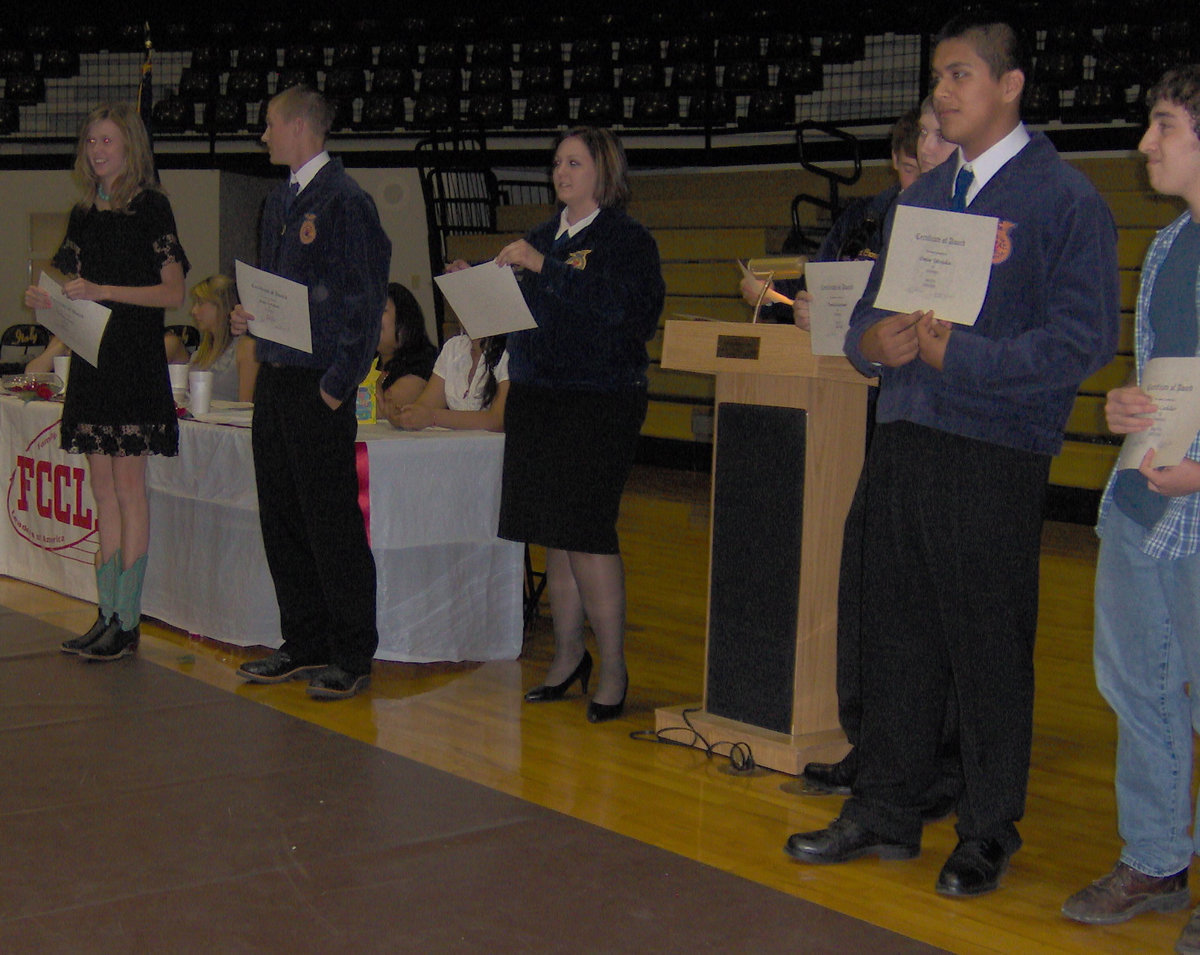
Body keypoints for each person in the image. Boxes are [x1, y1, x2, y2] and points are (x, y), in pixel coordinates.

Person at [784, 13, 1120, 898]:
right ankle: (885, 807)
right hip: (904, 434)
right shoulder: (924, 197)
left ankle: (986, 827)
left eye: (961, 75)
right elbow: (864, 320)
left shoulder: (1065, 199)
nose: (942, 90)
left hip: (994, 450)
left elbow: (1081, 343)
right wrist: (873, 346)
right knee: (896, 634)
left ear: (1010, 86)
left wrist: (957, 357)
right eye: (938, 75)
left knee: (988, 646)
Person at [1061, 67, 1200, 955]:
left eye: (1161, 124)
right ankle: (1156, 857)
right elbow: (1161, 376)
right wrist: (1125, 406)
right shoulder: (1166, 247)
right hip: (1141, 504)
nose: (1144, 143)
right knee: (1133, 685)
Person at [798, 94, 959, 799]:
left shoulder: (986, 214)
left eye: (931, 132)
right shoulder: (895, 215)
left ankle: (940, 768)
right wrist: (866, 339)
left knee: (943, 610)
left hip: (960, 432)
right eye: (917, 133)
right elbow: (865, 315)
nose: (920, 145)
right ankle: (876, 747)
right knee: (871, 592)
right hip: (896, 422)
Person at [484, 127, 664, 723]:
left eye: (574, 162)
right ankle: (566, 658)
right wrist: (486, 286)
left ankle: (612, 667)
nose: (561, 172)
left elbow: (630, 313)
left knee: (587, 533)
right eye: (557, 162)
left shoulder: (626, 239)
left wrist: (545, 269)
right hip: (539, 398)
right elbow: (526, 315)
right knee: (553, 535)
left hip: (599, 400)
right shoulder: (539, 236)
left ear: (602, 170)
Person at [231, 85, 390, 701]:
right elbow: (281, 294)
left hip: (317, 386)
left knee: (330, 522)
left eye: (269, 123)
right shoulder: (278, 202)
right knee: (283, 517)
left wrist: (335, 386)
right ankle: (303, 639)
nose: (262, 135)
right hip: (275, 378)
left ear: (300, 126)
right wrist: (249, 319)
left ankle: (351, 650)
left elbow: (365, 302)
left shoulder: (347, 202)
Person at [22, 102, 189, 661]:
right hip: (93, 364)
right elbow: (73, 294)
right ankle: (108, 612)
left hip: (134, 362)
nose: (97, 150)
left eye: (107, 141)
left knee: (128, 490)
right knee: (103, 494)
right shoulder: (82, 214)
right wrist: (46, 309)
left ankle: (129, 619)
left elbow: (173, 293)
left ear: (130, 147)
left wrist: (103, 291)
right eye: (91, 140)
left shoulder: (151, 208)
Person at [740, 107, 922, 325]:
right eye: (910, 169)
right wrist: (770, 293)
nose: (918, 182)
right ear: (894, 159)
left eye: (927, 170)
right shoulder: (861, 215)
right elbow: (820, 280)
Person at [393, 331, 508, 432]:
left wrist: (434, 417)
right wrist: (403, 414)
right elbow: (425, 407)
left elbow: (497, 420)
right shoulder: (454, 347)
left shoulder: (510, 352)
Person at [175, 274, 258, 402]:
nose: (194, 311)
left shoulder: (245, 347)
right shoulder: (201, 352)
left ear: (221, 306)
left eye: (200, 303)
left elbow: (246, 408)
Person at [375, 281, 437, 422]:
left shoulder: (421, 366)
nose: (371, 319)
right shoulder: (369, 362)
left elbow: (382, 410)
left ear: (405, 319)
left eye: (381, 310)